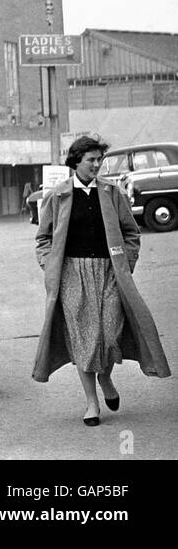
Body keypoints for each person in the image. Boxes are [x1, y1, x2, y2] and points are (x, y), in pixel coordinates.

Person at [33, 135, 171, 425]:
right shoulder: (57, 196)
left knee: (110, 333)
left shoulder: (111, 192)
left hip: (109, 272)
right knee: (83, 339)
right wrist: (49, 265)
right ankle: (92, 402)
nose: (97, 165)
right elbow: (43, 238)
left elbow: (131, 233)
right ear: (76, 162)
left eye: (99, 160)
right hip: (72, 274)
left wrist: (127, 263)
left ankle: (106, 379)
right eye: (91, 160)